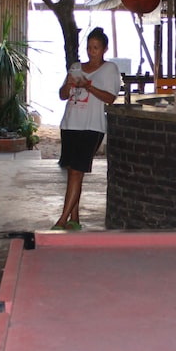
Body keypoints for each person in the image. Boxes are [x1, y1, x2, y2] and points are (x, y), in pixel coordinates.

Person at [52, 27, 121, 230]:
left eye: (96, 48)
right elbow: (62, 95)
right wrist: (69, 85)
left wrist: (88, 86)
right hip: (70, 123)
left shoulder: (110, 69)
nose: (92, 52)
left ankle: (62, 219)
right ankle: (75, 219)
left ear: (104, 49)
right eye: (89, 47)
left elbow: (110, 98)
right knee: (72, 171)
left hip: (92, 126)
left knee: (77, 171)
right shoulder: (76, 67)